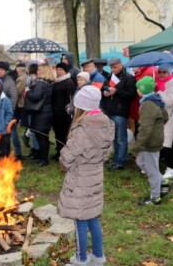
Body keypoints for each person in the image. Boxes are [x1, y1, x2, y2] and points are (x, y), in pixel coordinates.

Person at [57, 85, 114, 266]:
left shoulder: (83, 129)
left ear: (81, 106)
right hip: (96, 176)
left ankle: (81, 259)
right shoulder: (106, 123)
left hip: (80, 179)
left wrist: (63, 161)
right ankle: (98, 256)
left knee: (80, 220)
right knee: (93, 217)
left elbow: (67, 157)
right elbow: (106, 152)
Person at [133, 76, 168, 205]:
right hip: (151, 140)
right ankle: (162, 180)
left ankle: (155, 197)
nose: (136, 90)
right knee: (141, 162)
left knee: (151, 169)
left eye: (138, 88)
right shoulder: (154, 100)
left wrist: (137, 146)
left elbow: (145, 128)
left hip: (150, 142)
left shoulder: (148, 104)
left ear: (142, 89)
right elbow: (165, 116)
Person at [103, 57, 136, 170]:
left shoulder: (129, 78)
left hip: (121, 111)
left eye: (115, 67)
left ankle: (120, 162)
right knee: (114, 137)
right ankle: (116, 159)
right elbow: (106, 88)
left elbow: (132, 95)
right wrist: (105, 93)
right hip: (110, 110)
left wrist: (117, 91)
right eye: (111, 67)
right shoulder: (109, 76)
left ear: (121, 65)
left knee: (121, 138)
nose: (113, 69)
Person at [25, 63, 54, 167]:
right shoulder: (48, 83)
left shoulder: (40, 84)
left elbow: (36, 96)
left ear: (44, 71)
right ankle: (43, 158)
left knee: (41, 137)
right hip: (47, 112)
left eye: (39, 70)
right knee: (44, 137)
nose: (37, 71)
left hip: (41, 114)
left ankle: (43, 159)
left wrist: (27, 92)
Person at [155, 63, 173, 181]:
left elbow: (170, 102)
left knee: (166, 143)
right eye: (160, 72)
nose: (161, 74)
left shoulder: (172, 84)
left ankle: (171, 169)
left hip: (167, 117)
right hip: (157, 117)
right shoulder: (158, 83)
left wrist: (159, 92)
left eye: (164, 72)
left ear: (169, 72)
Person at [52, 62, 75, 160]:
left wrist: (66, 111)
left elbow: (69, 99)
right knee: (57, 134)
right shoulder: (56, 82)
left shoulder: (68, 82)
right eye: (57, 69)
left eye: (61, 70)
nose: (58, 72)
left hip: (63, 114)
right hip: (55, 113)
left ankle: (65, 154)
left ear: (65, 71)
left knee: (63, 134)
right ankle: (59, 151)